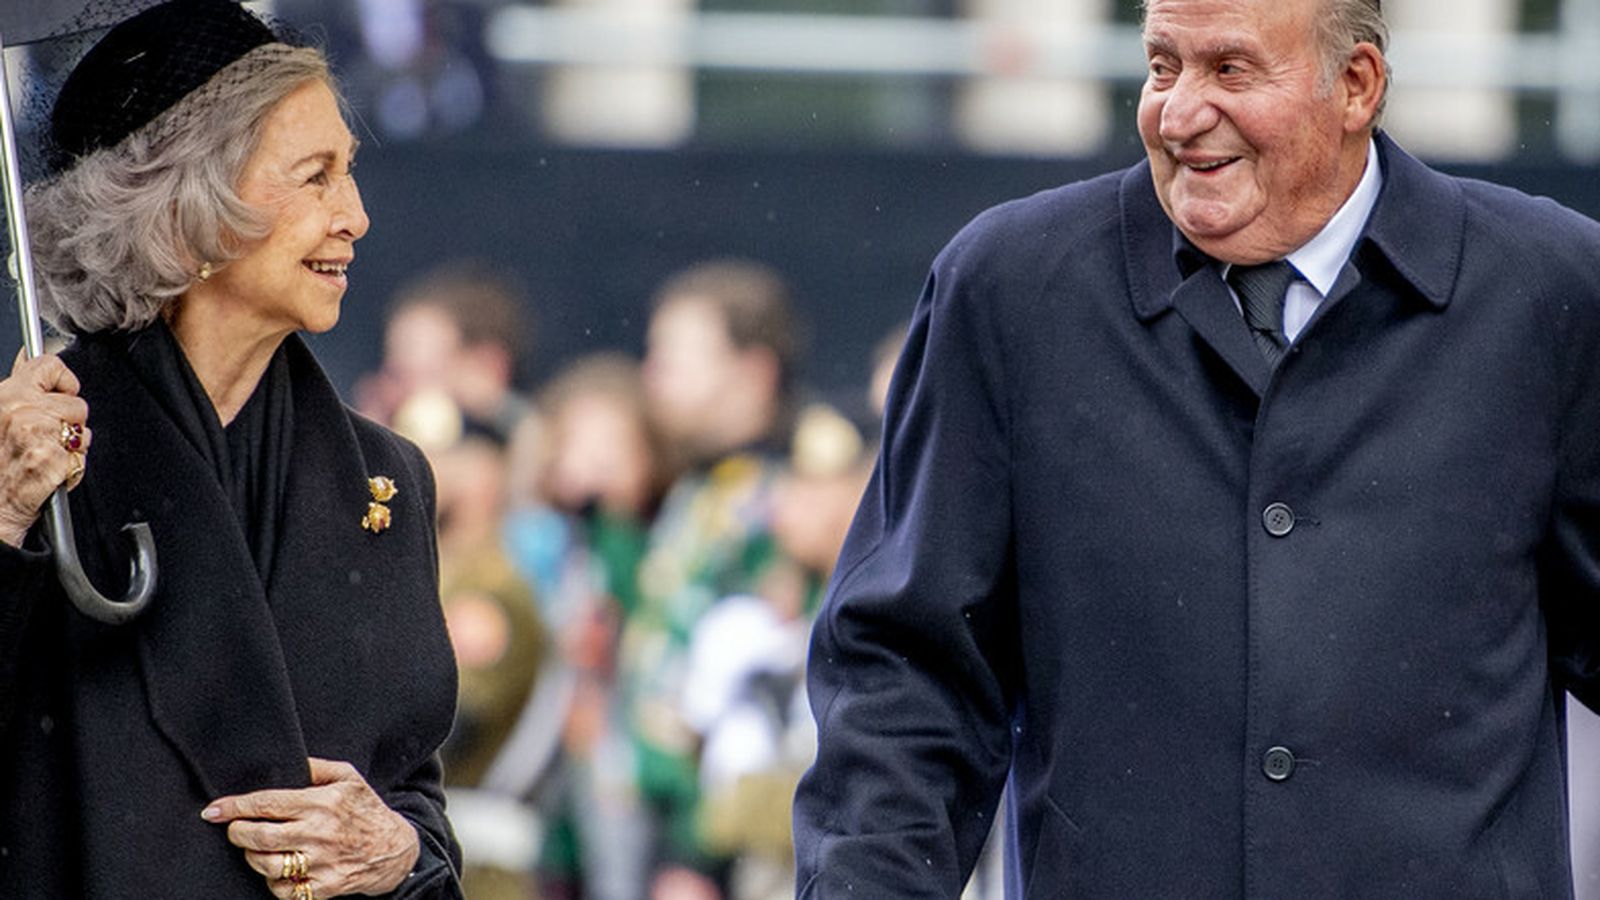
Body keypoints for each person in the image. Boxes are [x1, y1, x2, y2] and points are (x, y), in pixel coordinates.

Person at [793, 0, 1600, 896]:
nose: (1177, 114)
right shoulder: (1011, 291)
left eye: (1229, 70)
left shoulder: (1549, 296)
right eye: (1162, 66)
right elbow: (908, 682)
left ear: (1356, 86)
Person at [0, 2, 461, 897]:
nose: (356, 216)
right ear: (188, 208)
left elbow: (414, 798)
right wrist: (5, 518)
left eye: (350, 172)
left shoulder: (387, 480)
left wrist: (400, 853)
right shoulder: (36, 463)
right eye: (316, 177)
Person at [620, 260, 802, 899]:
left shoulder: (782, 509)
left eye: (675, 357)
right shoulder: (697, 491)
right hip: (654, 820)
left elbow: (761, 701)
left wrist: (697, 857)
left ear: (753, 372)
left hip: (725, 844)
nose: (652, 374)